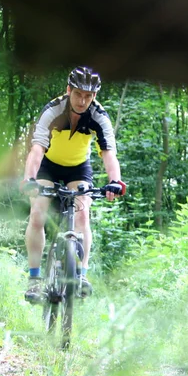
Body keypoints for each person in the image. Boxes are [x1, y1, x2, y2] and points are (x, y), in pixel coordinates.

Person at [20, 66, 126, 303]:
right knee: (37, 213)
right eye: (78, 94)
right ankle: (34, 280)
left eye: (88, 96)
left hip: (78, 168)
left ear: (94, 96)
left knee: (83, 216)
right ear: (69, 90)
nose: (82, 100)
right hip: (48, 165)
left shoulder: (99, 116)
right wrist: (29, 179)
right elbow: (37, 149)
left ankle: (82, 274)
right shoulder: (53, 110)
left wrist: (114, 182)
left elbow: (109, 154)